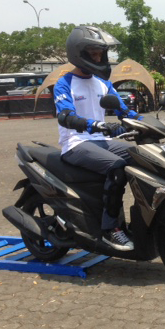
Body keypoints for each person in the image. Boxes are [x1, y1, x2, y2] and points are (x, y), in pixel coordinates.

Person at [54, 25, 141, 251]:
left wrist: (148, 123)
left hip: (101, 142)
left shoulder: (104, 83)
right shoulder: (64, 84)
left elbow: (124, 111)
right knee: (117, 166)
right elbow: (66, 116)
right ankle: (110, 229)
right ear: (79, 54)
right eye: (93, 53)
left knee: (143, 158)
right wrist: (96, 125)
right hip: (76, 143)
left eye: (100, 54)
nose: (98, 58)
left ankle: (142, 219)